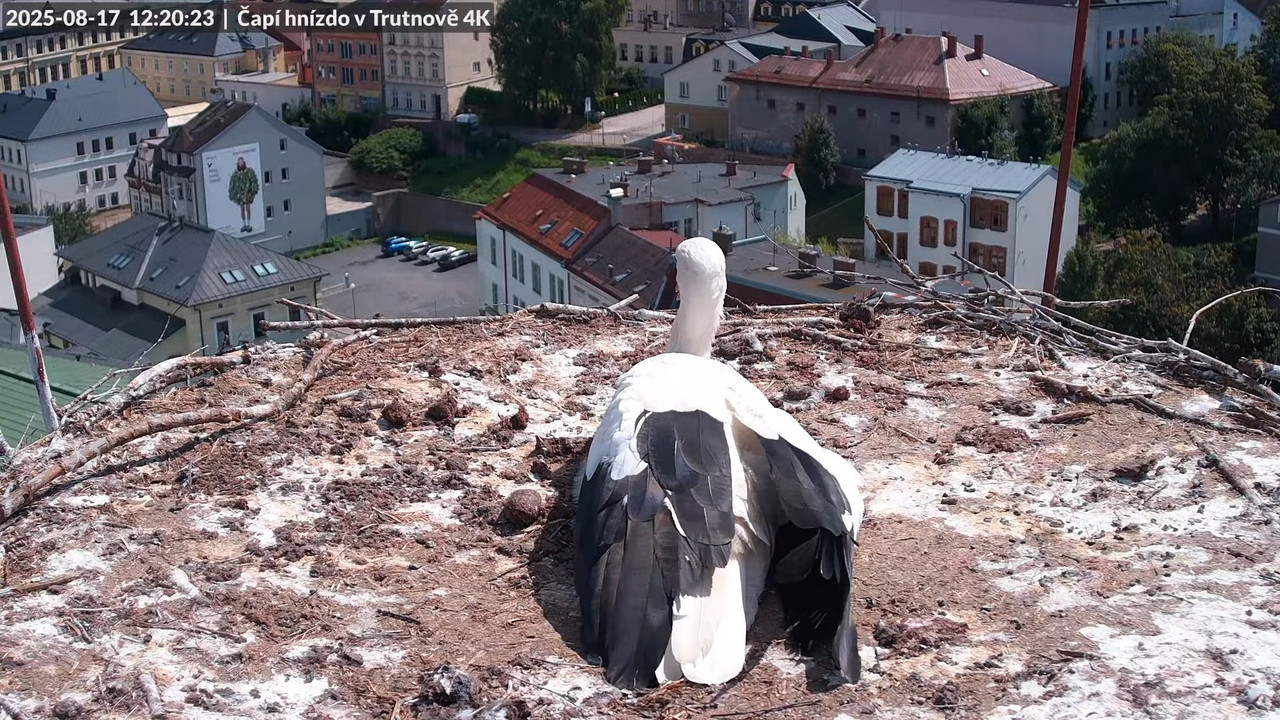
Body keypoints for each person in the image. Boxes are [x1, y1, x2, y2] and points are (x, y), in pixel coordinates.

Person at [227, 156, 260, 233]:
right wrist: (233, 194)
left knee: (248, 208)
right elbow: (232, 184)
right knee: (242, 209)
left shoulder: (249, 171)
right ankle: (244, 224)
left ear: (244, 162)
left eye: (241, 162)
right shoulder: (235, 174)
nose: (240, 163)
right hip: (240, 195)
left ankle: (249, 224)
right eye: (239, 162)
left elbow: (253, 181)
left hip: (247, 194)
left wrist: (252, 191)